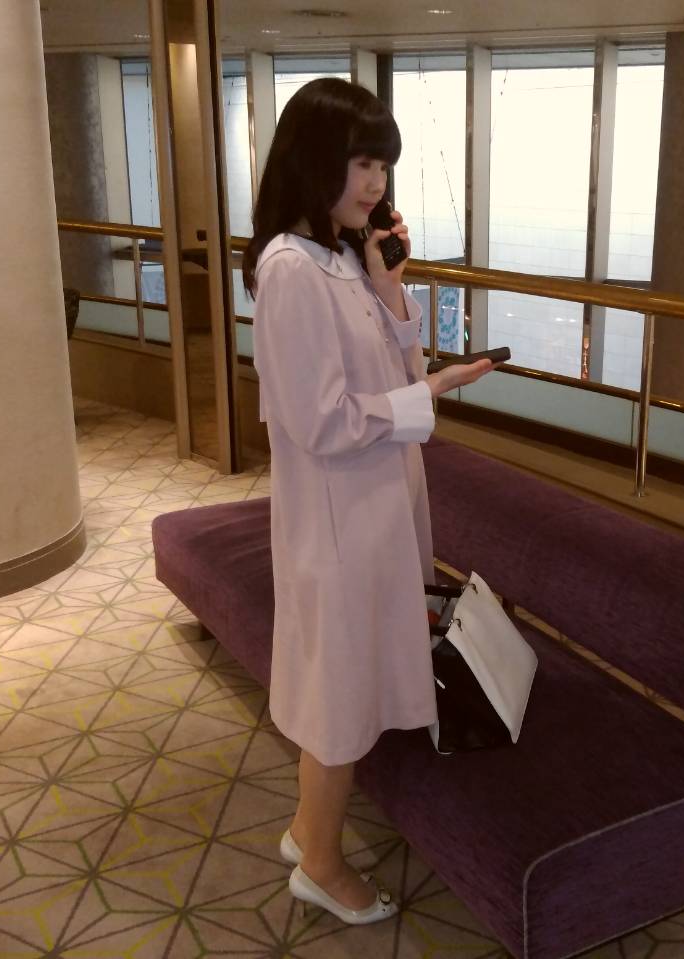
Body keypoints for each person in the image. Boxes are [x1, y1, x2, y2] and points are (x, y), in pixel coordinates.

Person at [244, 77, 498, 925]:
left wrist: (391, 288)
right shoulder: (291, 269)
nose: (374, 182)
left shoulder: (341, 257)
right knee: (339, 690)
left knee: (345, 674)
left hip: (375, 501)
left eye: (382, 165)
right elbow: (321, 420)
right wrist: (432, 392)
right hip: (338, 516)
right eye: (360, 163)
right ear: (314, 160)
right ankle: (319, 861)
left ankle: (304, 830)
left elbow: (389, 373)